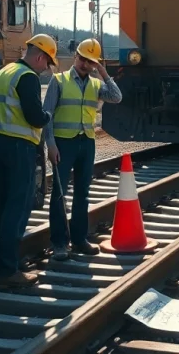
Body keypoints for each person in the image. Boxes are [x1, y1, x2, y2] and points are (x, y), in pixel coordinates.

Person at [0, 34, 57, 288]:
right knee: (17, 206)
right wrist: (47, 116)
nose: (46, 68)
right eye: (47, 62)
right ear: (40, 57)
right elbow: (35, 116)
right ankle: (7, 269)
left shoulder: (5, 72)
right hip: (20, 147)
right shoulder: (27, 77)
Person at [43, 38, 123, 261]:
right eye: (82, 59)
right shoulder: (58, 81)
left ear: (95, 64)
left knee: (82, 193)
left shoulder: (97, 85)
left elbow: (117, 97)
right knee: (59, 194)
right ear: (75, 56)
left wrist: (104, 74)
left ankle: (79, 239)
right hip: (63, 143)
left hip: (86, 142)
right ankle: (59, 243)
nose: (84, 64)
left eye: (90, 62)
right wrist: (50, 144)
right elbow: (46, 116)